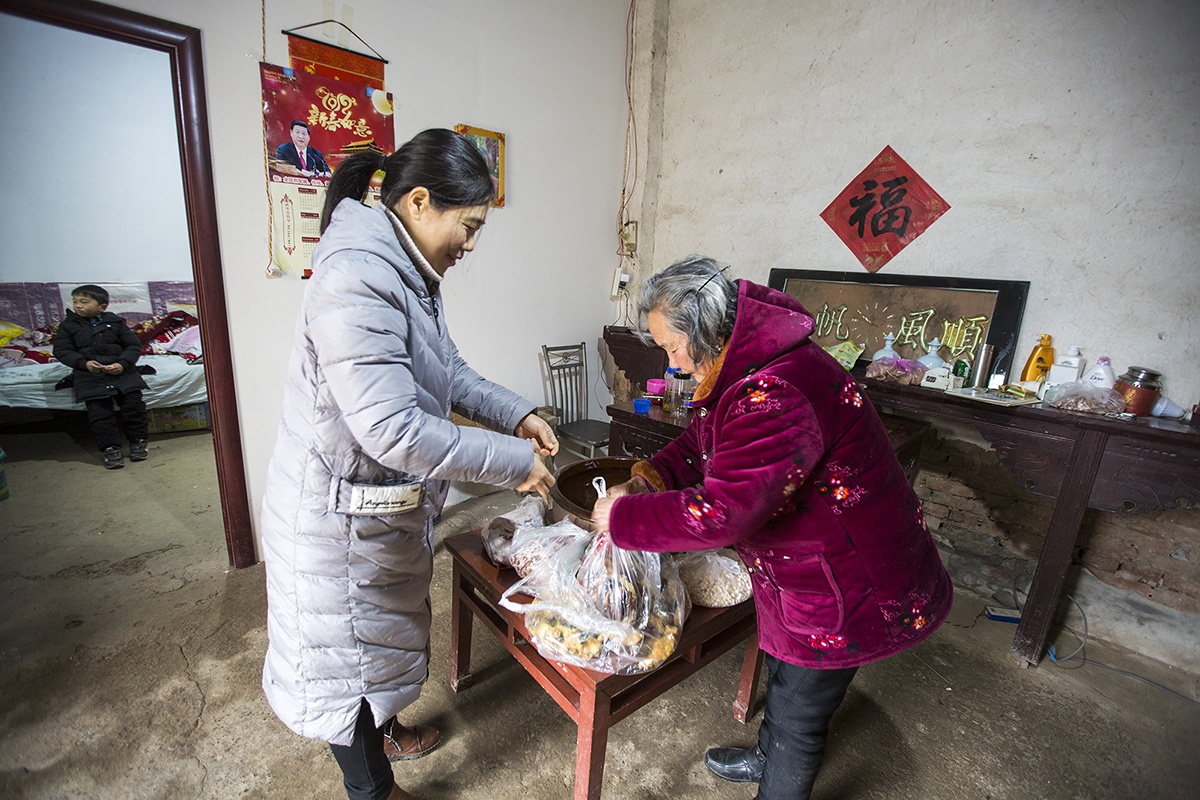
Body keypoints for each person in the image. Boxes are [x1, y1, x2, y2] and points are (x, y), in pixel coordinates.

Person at [260, 128, 558, 800]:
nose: (472, 244)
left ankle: (385, 732)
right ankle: (375, 789)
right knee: (343, 664)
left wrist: (517, 414)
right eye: (470, 225)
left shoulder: (408, 270)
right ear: (420, 201)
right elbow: (390, 428)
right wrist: (513, 463)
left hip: (376, 506)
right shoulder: (356, 278)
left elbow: (446, 370)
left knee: (376, 639)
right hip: (331, 518)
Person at [591, 256, 953, 800]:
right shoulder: (741, 366)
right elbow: (700, 445)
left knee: (800, 710)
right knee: (786, 671)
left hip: (850, 576)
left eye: (671, 348)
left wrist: (623, 519)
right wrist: (645, 481)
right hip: (809, 566)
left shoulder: (777, 390)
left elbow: (723, 512)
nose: (672, 365)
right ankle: (766, 756)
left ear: (709, 333)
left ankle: (778, 775)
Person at [51, 284, 150, 469]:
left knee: (134, 408)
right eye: (75, 301)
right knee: (100, 415)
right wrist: (84, 363)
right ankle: (111, 449)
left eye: (84, 302)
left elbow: (133, 346)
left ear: (102, 307)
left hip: (123, 373)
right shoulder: (68, 327)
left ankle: (139, 442)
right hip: (90, 377)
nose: (78, 305)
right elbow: (62, 350)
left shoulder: (116, 323)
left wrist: (123, 364)